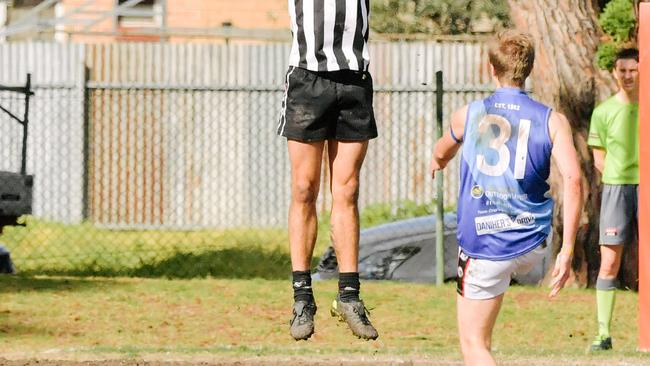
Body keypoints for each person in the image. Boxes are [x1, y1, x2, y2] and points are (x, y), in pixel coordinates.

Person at [430, 30, 584, 366]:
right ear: (528, 69)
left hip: (486, 243)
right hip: (532, 241)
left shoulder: (469, 114)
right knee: (483, 336)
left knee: (473, 344)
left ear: (491, 68)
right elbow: (573, 180)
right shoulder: (552, 120)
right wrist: (567, 248)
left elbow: (442, 150)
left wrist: (437, 161)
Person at [278, 0, 379, 341]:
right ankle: (302, 297)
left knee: (347, 190)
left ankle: (349, 296)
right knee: (305, 188)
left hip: (354, 81)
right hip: (307, 80)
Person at [587, 48, 639, 351]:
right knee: (609, 262)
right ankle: (603, 334)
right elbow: (598, 159)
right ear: (615, 73)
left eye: (632, 70)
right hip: (617, 189)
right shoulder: (604, 111)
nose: (627, 76)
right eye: (622, 70)